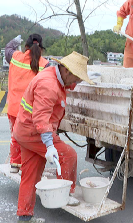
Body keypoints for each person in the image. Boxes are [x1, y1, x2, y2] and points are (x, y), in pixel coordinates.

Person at [14, 51, 94, 223]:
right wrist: (49, 145)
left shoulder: (54, 75)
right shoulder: (48, 85)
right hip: (34, 133)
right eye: (77, 77)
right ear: (67, 71)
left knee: (30, 175)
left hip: (25, 131)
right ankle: (66, 193)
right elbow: (41, 118)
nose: (77, 82)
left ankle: (24, 216)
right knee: (69, 155)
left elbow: (66, 85)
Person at [5, 33, 49, 173]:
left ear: (26, 47)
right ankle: (27, 164)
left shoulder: (16, 57)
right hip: (31, 110)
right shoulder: (45, 64)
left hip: (13, 107)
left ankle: (15, 163)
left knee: (16, 135)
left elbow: (8, 49)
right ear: (41, 48)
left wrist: (14, 40)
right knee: (29, 138)